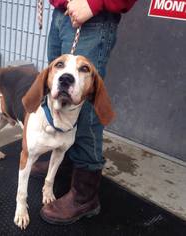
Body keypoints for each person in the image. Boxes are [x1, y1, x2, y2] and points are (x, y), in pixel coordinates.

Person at [32, 0, 137, 224]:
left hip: (91, 17)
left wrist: (94, 3)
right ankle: (66, 163)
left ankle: (84, 196)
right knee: (58, 93)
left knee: (86, 109)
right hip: (60, 13)